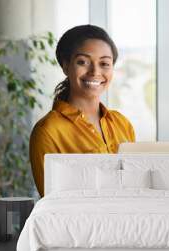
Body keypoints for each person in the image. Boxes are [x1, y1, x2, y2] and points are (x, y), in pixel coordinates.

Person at [30, 25, 135, 197]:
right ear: (65, 66)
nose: (95, 71)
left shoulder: (122, 124)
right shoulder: (48, 131)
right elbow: (52, 202)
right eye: (83, 62)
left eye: (104, 64)